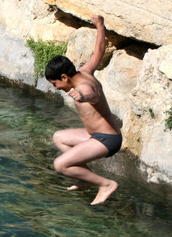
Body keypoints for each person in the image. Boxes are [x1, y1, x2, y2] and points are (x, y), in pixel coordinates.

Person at [45, 14, 121, 206]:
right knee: (59, 137)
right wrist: (100, 25)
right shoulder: (85, 71)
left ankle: (106, 184)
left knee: (60, 164)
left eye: (55, 83)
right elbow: (99, 50)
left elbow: (93, 95)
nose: (55, 88)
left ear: (64, 76)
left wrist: (83, 97)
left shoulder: (83, 88)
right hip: (96, 135)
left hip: (107, 139)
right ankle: (86, 177)